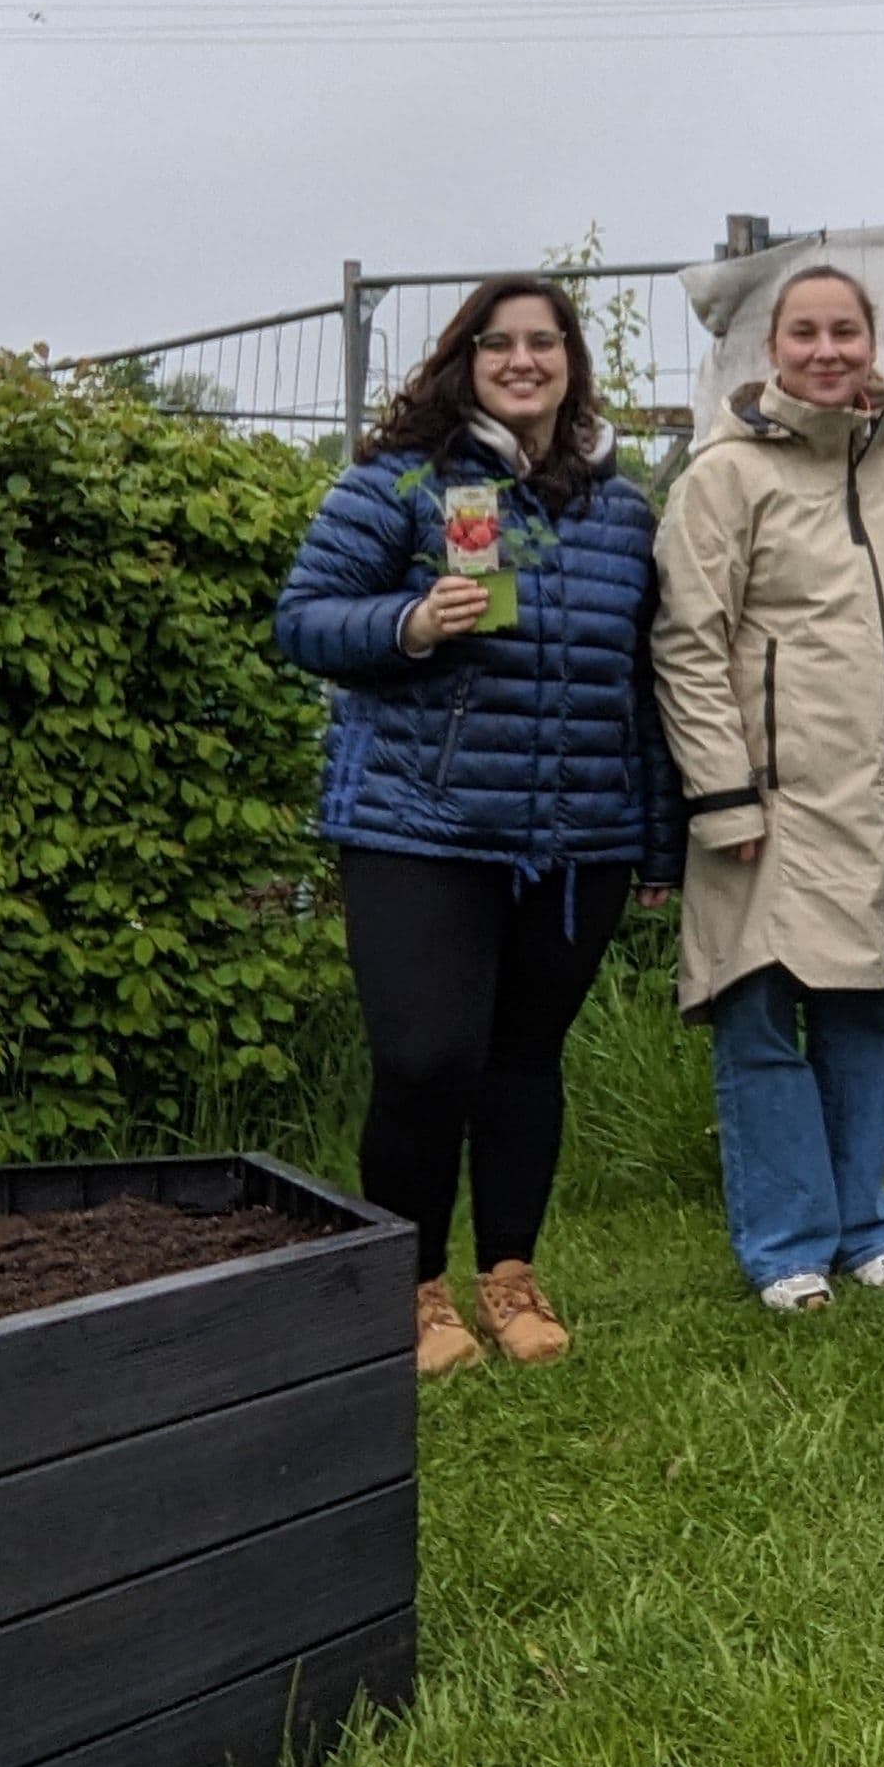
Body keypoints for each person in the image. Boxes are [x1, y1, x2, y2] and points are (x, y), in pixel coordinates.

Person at [274, 276, 682, 1380]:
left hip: (577, 834)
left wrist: (656, 841)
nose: (522, 360)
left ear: (570, 362)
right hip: (419, 822)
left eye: (543, 343)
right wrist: (407, 621)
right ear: (465, 359)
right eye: (497, 343)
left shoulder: (622, 505)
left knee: (523, 1063)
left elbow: (635, 685)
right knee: (424, 1061)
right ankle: (406, 1287)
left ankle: (510, 1274)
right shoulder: (398, 480)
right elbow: (302, 621)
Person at [654, 264, 884, 1312]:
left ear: (869, 344)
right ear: (771, 349)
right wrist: (723, 795)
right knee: (761, 1020)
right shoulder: (722, 478)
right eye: (804, 333)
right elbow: (687, 645)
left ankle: (866, 1231)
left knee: (871, 1016)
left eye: (845, 331)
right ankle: (789, 1247)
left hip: (882, 805)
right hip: (768, 806)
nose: (826, 351)